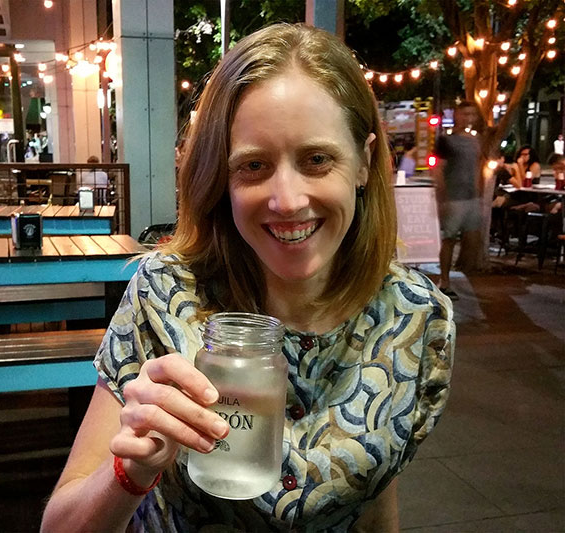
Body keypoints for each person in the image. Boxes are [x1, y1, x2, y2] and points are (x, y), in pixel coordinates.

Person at [41, 23, 454, 532]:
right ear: (222, 177)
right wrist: (130, 471)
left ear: (364, 163)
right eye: (254, 166)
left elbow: (373, 500)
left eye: (317, 160)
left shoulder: (412, 316)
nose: (287, 200)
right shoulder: (167, 295)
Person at [432, 100, 482, 300]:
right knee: (449, 239)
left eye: (472, 114)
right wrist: (442, 197)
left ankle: (462, 274)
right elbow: (438, 169)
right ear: (457, 116)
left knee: (472, 238)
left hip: (471, 198)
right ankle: (444, 281)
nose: (468, 118)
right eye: (464, 114)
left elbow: (478, 166)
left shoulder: (476, 140)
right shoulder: (446, 140)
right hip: (454, 198)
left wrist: (479, 191)